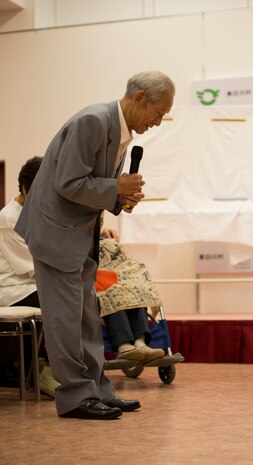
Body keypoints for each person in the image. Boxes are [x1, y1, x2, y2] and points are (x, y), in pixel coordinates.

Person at [15, 71, 175, 420]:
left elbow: (93, 185)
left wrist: (121, 198)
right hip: (56, 234)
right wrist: (116, 187)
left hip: (79, 234)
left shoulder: (118, 130)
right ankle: (75, 397)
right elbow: (69, 183)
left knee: (88, 318)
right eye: (159, 112)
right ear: (138, 99)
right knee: (66, 321)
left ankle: (98, 390)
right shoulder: (93, 120)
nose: (158, 122)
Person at [0, 156, 58, 396]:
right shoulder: (9, 219)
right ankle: (44, 370)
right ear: (25, 188)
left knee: (79, 297)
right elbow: (29, 264)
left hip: (36, 281)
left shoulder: (41, 209)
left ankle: (64, 367)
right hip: (13, 287)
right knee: (57, 300)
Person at [99, 220, 165, 364]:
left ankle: (140, 343)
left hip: (113, 271)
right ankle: (124, 346)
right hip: (93, 276)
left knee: (135, 288)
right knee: (111, 291)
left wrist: (103, 234)